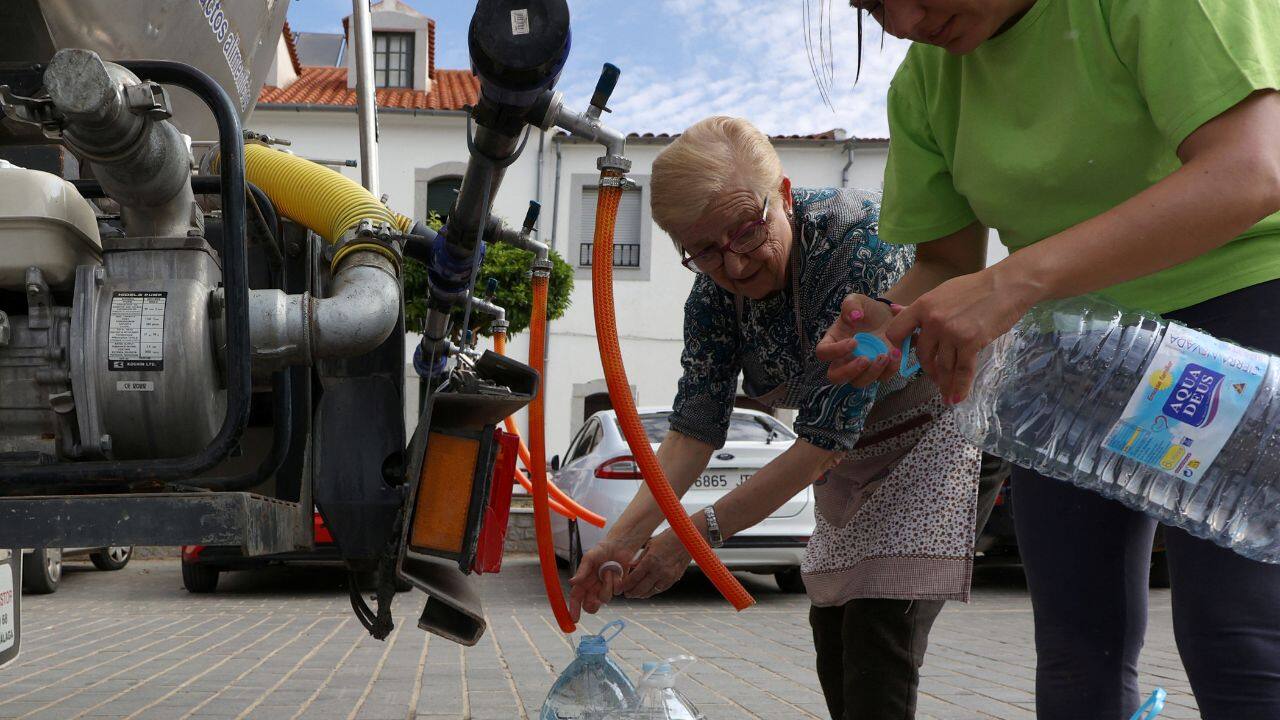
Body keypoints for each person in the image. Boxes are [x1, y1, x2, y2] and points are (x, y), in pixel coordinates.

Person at [820, 2, 1280, 718]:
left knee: (1238, 631)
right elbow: (947, 259)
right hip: (1074, 349)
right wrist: (893, 324)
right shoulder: (925, 84)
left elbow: (1251, 170)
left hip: (1238, 302)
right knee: (1075, 648)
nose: (907, 19)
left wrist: (1013, 282)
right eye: (874, 3)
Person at [568, 115, 999, 720]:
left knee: (879, 631)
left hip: (944, 427)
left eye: (747, 232)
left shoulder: (857, 241)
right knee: (833, 635)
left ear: (786, 196)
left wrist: (690, 542)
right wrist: (621, 539)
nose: (736, 266)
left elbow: (819, 445)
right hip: (855, 447)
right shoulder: (713, 299)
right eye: (705, 252)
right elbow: (693, 433)